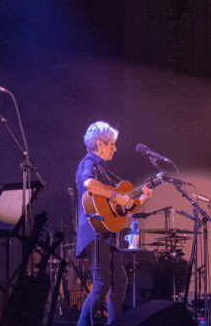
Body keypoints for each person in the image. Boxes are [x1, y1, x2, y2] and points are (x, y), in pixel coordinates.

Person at [75, 121, 152, 325]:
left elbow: (118, 209)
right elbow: (89, 183)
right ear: (99, 144)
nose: (114, 148)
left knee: (120, 281)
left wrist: (141, 199)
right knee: (101, 285)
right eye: (111, 144)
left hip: (107, 236)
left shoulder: (104, 171)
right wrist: (116, 197)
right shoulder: (89, 163)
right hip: (94, 233)